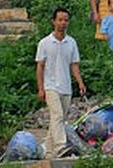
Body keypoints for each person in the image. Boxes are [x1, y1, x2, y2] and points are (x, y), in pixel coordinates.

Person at [35, 9, 88, 152]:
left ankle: (49, 152)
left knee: (58, 120)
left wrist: (80, 82)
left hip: (66, 87)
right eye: (60, 20)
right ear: (53, 21)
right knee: (57, 115)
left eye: (65, 20)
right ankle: (60, 146)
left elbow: (74, 65)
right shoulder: (45, 43)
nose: (63, 23)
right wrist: (40, 88)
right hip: (50, 86)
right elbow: (40, 66)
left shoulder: (71, 43)